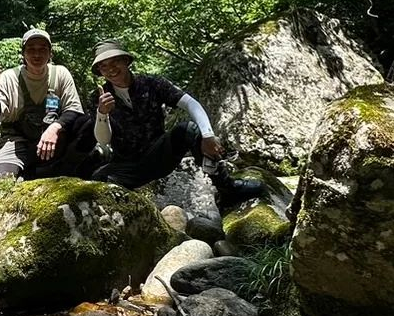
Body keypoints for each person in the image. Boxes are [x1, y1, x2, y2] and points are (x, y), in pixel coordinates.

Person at [86, 39, 262, 198]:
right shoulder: (98, 97)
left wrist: (208, 135)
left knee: (189, 129)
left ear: (126, 61)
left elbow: (191, 104)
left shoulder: (152, 83)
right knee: (96, 180)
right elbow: (103, 140)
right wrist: (102, 113)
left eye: (115, 61)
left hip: (159, 155)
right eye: (103, 66)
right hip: (127, 167)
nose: (110, 69)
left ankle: (227, 188)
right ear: (100, 71)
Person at [0, 28, 84, 179]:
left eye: (43, 49)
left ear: (50, 53)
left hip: (53, 141)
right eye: (31, 49)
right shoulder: (9, 77)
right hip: (16, 140)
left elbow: (74, 110)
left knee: (86, 125)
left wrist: (55, 128)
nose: (37, 54)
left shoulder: (61, 74)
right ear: (23, 54)